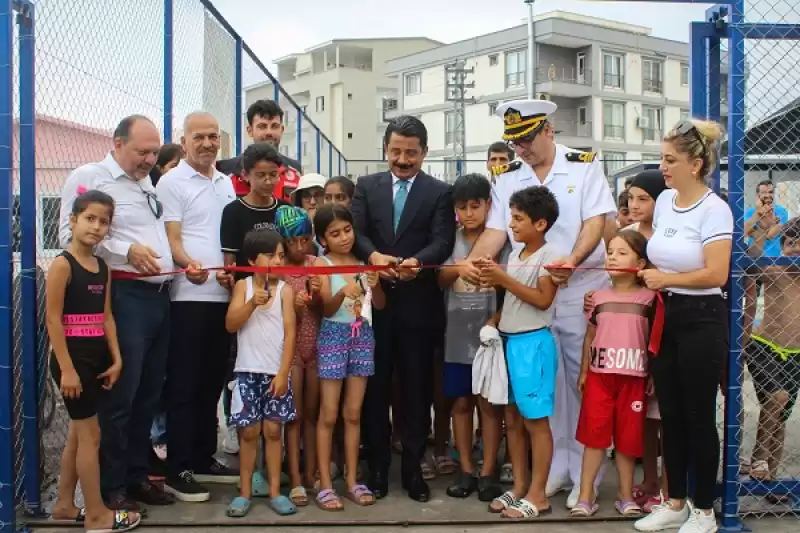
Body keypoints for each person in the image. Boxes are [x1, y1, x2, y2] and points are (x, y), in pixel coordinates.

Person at [463, 99, 616, 509]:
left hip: (578, 287)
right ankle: (554, 472)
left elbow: (595, 222)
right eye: (515, 143)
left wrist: (573, 259)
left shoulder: (583, 165)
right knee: (545, 392)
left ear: (548, 131)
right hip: (530, 297)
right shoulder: (509, 175)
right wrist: (474, 261)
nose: (521, 150)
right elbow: (498, 231)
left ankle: (587, 475)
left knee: (581, 384)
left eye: (528, 139)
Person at [57, 115, 176, 511]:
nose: (149, 159)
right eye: (142, 151)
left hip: (160, 297)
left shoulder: (146, 182)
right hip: (123, 297)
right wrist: (127, 253)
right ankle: (111, 489)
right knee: (121, 397)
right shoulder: (91, 177)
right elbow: (65, 236)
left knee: (148, 393)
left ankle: (137, 476)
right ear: (117, 143)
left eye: (154, 152)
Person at [351, 115, 456, 502]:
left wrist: (416, 261)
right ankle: (376, 468)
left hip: (419, 305)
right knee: (374, 389)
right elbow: (357, 232)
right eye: (396, 151)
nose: (402, 159)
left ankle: (413, 470)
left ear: (424, 153)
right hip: (374, 307)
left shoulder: (439, 192)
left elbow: (443, 240)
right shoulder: (367, 187)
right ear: (386, 150)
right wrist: (373, 255)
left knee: (416, 391)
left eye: (411, 152)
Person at [633, 119, 731, 533]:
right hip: (666, 316)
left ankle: (704, 510)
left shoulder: (714, 209)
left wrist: (666, 278)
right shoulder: (669, 201)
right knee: (669, 414)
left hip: (701, 319)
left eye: (670, 160)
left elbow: (716, 274)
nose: (663, 167)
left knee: (697, 415)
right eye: (662, 158)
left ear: (696, 163)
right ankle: (674, 502)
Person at [47, 190, 141, 533]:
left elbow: (106, 318)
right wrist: (68, 369)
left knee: (77, 433)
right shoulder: (62, 265)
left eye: (104, 222)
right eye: (90, 219)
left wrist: (116, 358)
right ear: (72, 221)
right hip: (74, 362)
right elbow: (53, 320)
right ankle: (97, 514)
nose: (96, 227)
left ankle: (63, 504)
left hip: (97, 358)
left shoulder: (102, 267)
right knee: (92, 436)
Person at [157, 111, 239, 502]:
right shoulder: (172, 182)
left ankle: (205, 457)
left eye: (213, 136)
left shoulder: (225, 183)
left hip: (223, 299)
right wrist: (185, 264)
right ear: (184, 139)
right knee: (185, 386)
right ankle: (179, 468)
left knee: (211, 384)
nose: (207, 143)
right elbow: (172, 237)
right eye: (199, 137)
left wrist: (230, 274)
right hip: (187, 299)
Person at [480, 186, 560, 519]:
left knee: (536, 422)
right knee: (512, 419)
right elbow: (514, 301)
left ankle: (539, 494)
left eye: (518, 218)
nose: (511, 224)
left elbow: (543, 300)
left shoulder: (551, 256)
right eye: (511, 217)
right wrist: (493, 321)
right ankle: (520, 486)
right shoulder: (515, 255)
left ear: (540, 224)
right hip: (509, 341)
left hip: (533, 344)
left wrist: (502, 279)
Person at [572, 230, 656, 518]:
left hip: (634, 380)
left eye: (622, 253)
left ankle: (624, 495)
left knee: (627, 440)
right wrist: (584, 371)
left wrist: (653, 376)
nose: (613, 257)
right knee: (594, 438)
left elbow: (654, 343)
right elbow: (590, 335)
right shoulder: (596, 297)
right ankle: (585, 496)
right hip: (600, 378)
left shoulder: (651, 299)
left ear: (640, 263)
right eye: (610, 252)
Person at [217, 142, 292, 457]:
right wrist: (233, 284)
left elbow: (294, 253)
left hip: (281, 298)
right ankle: (237, 424)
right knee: (239, 362)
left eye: (273, 175)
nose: (268, 181)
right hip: (246, 297)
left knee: (277, 362)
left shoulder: (285, 210)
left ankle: (278, 438)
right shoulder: (233, 211)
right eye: (260, 175)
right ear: (245, 175)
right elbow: (230, 261)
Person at [313, 204, 386, 510]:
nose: (343, 238)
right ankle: (326, 485)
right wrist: (342, 292)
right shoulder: (321, 263)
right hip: (332, 336)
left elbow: (379, 306)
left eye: (347, 230)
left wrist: (376, 284)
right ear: (322, 239)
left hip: (362, 336)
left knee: (353, 413)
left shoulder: (362, 263)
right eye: (334, 233)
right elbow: (325, 310)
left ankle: (353, 479)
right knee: (329, 413)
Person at [224, 229, 298, 517]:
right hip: (246, 371)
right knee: (249, 433)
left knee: (273, 431)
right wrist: (251, 303)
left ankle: (276, 491)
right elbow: (231, 324)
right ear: (253, 260)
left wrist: (283, 373)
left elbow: (290, 335)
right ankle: (244, 493)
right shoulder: (243, 287)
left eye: (281, 255)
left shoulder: (286, 290)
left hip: (274, 372)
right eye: (272, 255)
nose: (278, 261)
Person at [438, 173, 502, 502]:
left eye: (475, 206)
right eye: (462, 207)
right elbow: (437, 276)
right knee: (460, 403)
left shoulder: (501, 239)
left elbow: (509, 286)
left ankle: (489, 471)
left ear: (489, 205)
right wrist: (458, 268)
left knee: (488, 405)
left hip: (490, 334)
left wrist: (496, 321)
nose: (469, 213)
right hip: (455, 333)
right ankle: (465, 468)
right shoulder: (449, 239)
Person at [744, 216, 800, 502]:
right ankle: (758, 459)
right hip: (765, 345)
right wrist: (762, 232)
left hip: (796, 355)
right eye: (790, 244)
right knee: (776, 398)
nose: (796, 251)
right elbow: (750, 257)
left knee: (780, 418)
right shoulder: (776, 269)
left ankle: (771, 481)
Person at [274, 205, 322, 507]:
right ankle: (293, 478)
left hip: (316, 347)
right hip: (288, 351)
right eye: (292, 241)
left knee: (312, 414)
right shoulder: (275, 271)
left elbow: (324, 309)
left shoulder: (317, 263)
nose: (300, 246)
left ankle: (311, 472)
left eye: (304, 239)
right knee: (292, 417)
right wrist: (296, 305)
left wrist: (316, 297)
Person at [217, 99, 302, 201]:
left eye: (274, 126)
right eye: (262, 126)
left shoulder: (295, 170)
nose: (269, 132)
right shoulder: (225, 170)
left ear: (282, 130)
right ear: (250, 131)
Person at [744, 180, 788, 258]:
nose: (768, 195)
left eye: (771, 192)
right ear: (758, 194)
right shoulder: (750, 212)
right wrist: (770, 225)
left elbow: (770, 235)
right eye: (764, 192)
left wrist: (756, 232)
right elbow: (745, 232)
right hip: (755, 256)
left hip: (776, 257)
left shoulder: (782, 211)